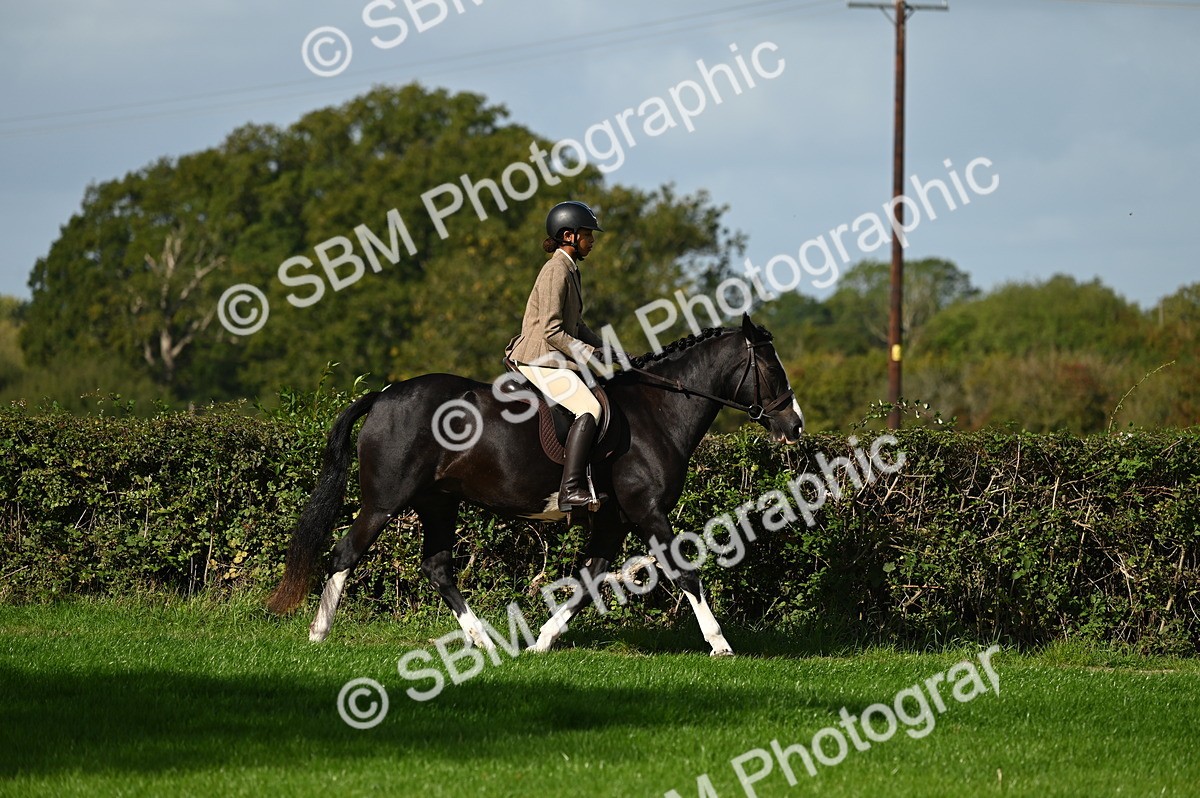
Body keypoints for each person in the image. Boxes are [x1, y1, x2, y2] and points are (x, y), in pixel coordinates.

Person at [505, 200, 609, 512]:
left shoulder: (570, 269)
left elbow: (576, 325)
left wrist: (607, 350)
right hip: (539, 356)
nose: (591, 240)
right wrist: (590, 354)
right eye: (587, 234)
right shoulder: (556, 270)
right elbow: (551, 330)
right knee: (589, 408)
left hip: (554, 354)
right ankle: (571, 490)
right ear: (568, 236)